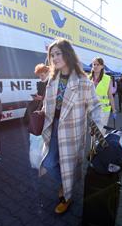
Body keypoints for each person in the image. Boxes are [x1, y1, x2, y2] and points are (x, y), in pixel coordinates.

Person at [39, 39, 102, 214]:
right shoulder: (52, 79)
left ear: (67, 54)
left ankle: (67, 196)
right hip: (52, 126)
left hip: (72, 130)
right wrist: (41, 111)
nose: (54, 58)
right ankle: (65, 183)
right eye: (51, 55)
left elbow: (95, 107)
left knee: (68, 164)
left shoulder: (83, 81)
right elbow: (48, 103)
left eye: (58, 53)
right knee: (49, 162)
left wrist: (98, 131)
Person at [89, 57, 117, 133]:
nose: (95, 66)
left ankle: (98, 145)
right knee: (93, 133)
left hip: (104, 110)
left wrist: (114, 110)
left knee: (100, 133)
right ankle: (93, 145)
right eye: (94, 64)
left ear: (102, 66)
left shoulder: (107, 79)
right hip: (92, 110)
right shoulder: (88, 78)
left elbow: (110, 95)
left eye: (98, 64)